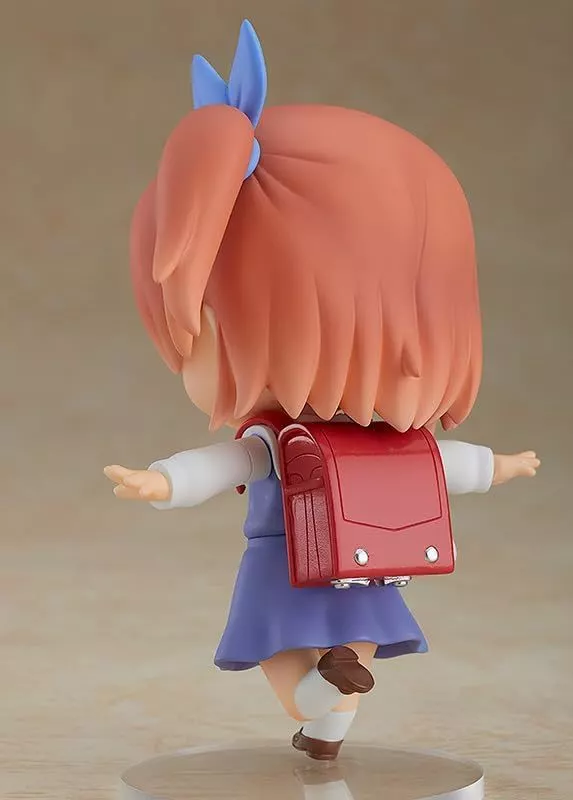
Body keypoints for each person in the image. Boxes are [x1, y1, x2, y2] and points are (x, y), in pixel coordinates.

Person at [104, 20, 539, 761]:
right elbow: (443, 465)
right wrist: (500, 466)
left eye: (204, 328)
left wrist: (163, 483)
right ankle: (328, 722)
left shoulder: (281, 439)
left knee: (276, 648)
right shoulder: (386, 440)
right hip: (369, 559)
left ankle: (315, 709)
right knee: (354, 643)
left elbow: (228, 465)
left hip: (284, 564)